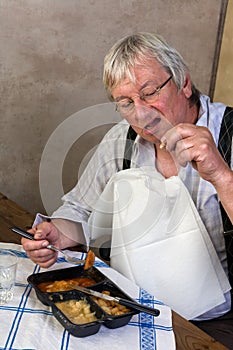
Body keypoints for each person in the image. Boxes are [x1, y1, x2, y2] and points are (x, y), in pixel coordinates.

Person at [22, 33, 233, 346]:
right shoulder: (122, 141)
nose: (140, 113)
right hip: (128, 307)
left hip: (213, 323)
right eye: (125, 103)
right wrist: (57, 233)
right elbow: (80, 210)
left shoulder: (228, 135)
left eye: (148, 94)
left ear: (183, 83)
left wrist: (222, 176)